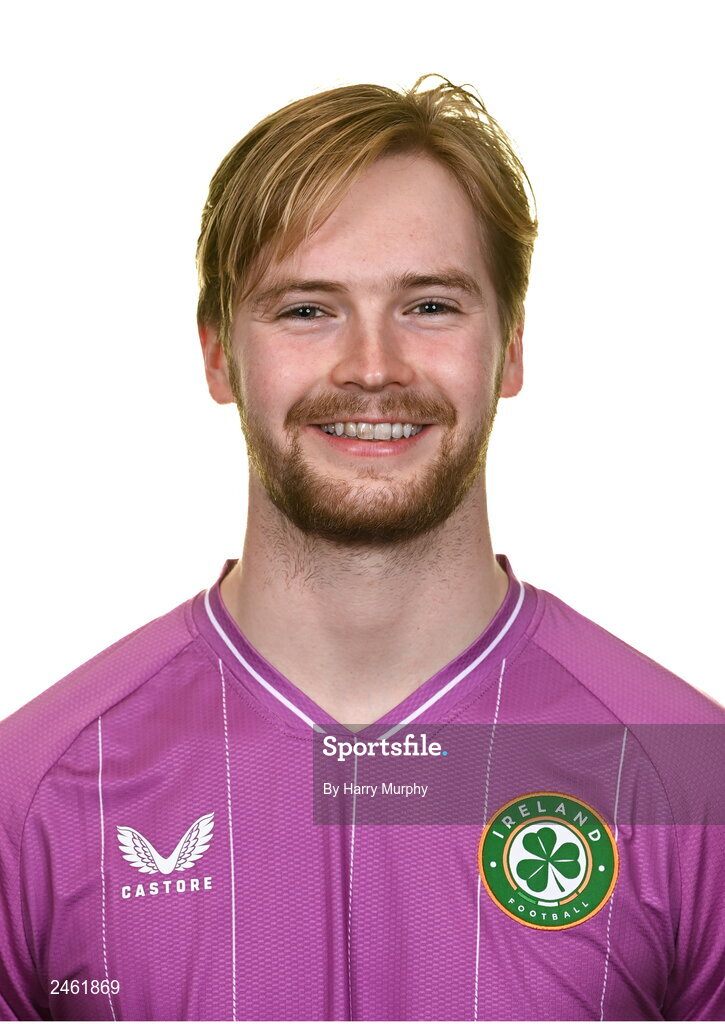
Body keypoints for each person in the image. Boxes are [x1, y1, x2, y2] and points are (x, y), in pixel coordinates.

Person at [0, 75, 723, 1023]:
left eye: (429, 306)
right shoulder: (35, 792)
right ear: (218, 355)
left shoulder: (687, 781)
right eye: (306, 309)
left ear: (509, 349)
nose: (372, 366)